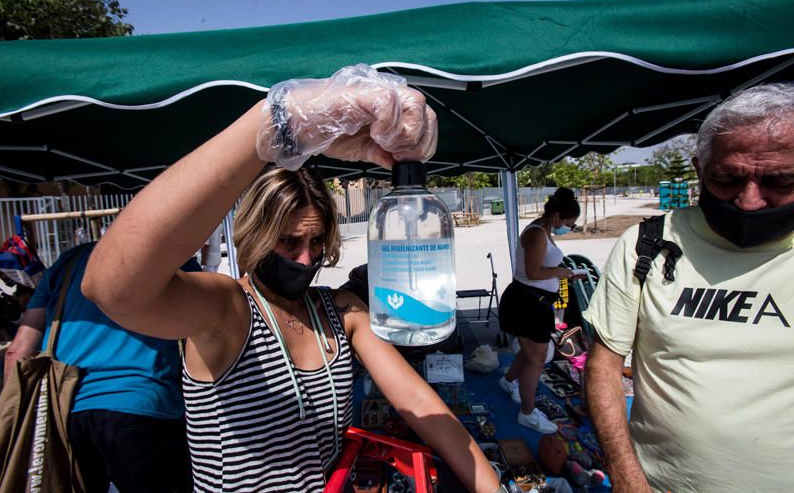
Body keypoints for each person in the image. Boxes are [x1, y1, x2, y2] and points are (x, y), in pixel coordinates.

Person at [82, 65, 504, 493]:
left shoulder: (339, 313)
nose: (306, 259)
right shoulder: (227, 312)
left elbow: (419, 403)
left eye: (317, 240)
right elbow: (113, 289)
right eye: (288, 242)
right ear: (256, 236)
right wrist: (273, 123)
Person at [583, 82, 794, 492]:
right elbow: (604, 366)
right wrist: (627, 478)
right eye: (727, 179)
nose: (749, 200)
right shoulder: (647, 243)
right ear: (699, 170)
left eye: (779, 181)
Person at [4, 242, 198, 493]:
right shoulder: (174, 258)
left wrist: (18, 420)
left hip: (68, 412)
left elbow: (18, 350)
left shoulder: (67, 262)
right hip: (144, 405)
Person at [497, 188, 580, 434]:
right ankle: (527, 413)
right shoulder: (536, 234)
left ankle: (509, 380)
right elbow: (533, 273)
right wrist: (560, 272)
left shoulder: (543, 230)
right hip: (527, 303)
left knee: (530, 352)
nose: (568, 229)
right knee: (536, 359)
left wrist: (561, 271)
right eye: (569, 225)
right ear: (556, 217)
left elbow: (540, 267)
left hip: (535, 302)